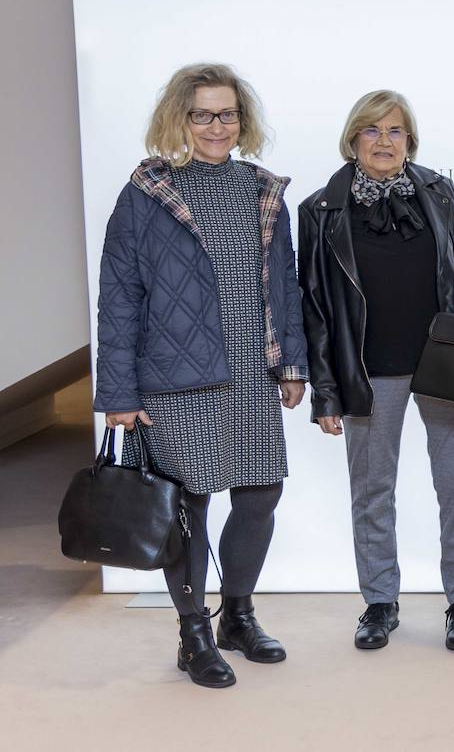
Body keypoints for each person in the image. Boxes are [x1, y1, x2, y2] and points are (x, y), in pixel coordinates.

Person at [94, 63, 307, 689]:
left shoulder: (263, 190)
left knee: (261, 492)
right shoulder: (145, 194)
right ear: (179, 120)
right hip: (173, 377)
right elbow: (119, 298)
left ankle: (236, 615)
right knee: (188, 504)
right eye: (203, 114)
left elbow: (284, 287)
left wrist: (291, 362)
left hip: (249, 370)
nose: (218, 126)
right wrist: (119, 394)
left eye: (229, 114)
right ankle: (193, 632)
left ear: (243, 121)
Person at [298, 90, 454, 653]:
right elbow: (314, 305)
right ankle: (379, 602)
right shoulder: (320, 210)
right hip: (368, 373)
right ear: (352, 139)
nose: (384, 141)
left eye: (395, 130)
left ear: (411, 140)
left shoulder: (439, 192)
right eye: (372, 130)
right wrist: (325, 391)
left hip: (445, 366)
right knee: (372, 491)